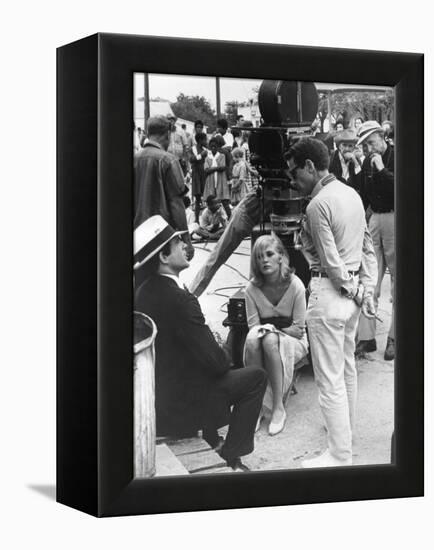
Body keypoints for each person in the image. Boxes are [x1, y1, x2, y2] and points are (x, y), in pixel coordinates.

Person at [134, 215, 267, 472]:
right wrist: (222, 349)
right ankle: (232, 454)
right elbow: (216, 364)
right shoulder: (180, 300)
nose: (186, 247)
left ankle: (213, 439)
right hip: (180, 409)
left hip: (158, 397)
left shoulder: (143, 291)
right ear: (163, 257)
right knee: (255, 378)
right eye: (177, 243)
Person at [285, 137, 377, 468]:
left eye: (295, 174)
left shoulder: (317, 204)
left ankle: (339, 454)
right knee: (346, 369)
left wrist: (354, 289)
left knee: (329, 379)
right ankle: (344, 435)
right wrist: (365, 291)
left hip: (330, 293)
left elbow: (332, 263)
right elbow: (367, 250)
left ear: (310, 166)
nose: (294, 182)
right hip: (350, 298)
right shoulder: (351, 193)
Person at [244, 234, 309, 435]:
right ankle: (256, 407)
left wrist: (272, 330)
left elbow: (299, 330)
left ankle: (278, 407)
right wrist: (272, 331)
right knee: (255, 340)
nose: (264, 260)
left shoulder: (295, 284)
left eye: (269, 254)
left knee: (269, 339)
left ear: (281, 256)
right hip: (264, 338)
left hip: (294, 341)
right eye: (259, 256)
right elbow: (253, 328)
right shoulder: (251, 289)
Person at [355, 120, 395, 360]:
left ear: (382, 136)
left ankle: (394, 337)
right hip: (374, 218)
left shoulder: (398, 155)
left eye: (371, 142)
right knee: (369, 277)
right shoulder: (369, 161)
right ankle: (367, 337)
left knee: (398, 282)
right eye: (366, 144)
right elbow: (361, 191)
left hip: (394, 215)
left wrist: (381, 170)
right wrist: (355, 168)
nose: (370, 148)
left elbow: (401, 188)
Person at [134, 115, 194, 262]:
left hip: (138, 233)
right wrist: (186, 239)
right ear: (167, 134)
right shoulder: (168, 160)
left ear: (148, 133)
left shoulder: (135, 158)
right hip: (162, 233)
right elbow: (176, 203)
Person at [203, 137, 231, 217]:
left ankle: (230, 217)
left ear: (218, 147)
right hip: (211, 181)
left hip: (220, 181)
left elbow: (222, 167)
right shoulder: (208, 158)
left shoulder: (222, 156)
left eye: (215, 146)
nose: (213, 148)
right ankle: (214, 220)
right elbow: (206, 170)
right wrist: (216, 168)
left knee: (224, 201)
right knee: (211, 202)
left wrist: (212, 168)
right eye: (211, 147)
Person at [189, 131, 208, 223]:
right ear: (200, 140)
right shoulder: (193, 148)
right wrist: (201, 155)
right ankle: (196, 220)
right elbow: (191, 159)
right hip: (197, 174)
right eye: (205, 139)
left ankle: (207, 219)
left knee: (207, 196)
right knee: (197, 198)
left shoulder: (206, 149)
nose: (206, 141)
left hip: (204, 174)